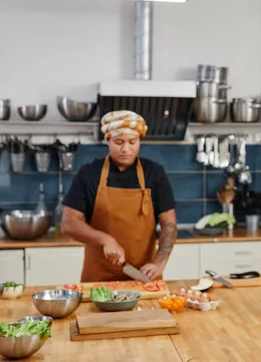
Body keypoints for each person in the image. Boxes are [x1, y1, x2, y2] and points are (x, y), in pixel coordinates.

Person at [61, 110, 178, 282]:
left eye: (132, 142)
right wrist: (105, 239)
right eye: (119, 142)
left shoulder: (154, 173)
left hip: (144, 276)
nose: (126, 149)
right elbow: (69, 224)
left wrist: (159, 264)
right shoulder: (89, 174)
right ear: (108, 140)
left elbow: (169, 224)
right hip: (99, 278)